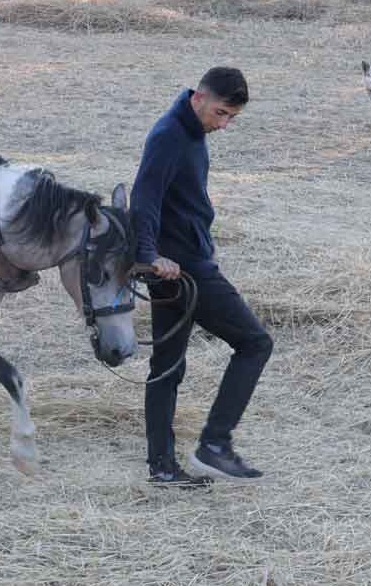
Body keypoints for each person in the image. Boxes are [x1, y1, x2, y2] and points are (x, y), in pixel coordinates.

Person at [133, 67, 273, 488]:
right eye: (221, 113)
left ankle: (162, 467)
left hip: (185, 261)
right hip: (183, 269)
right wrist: (149, 256)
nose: (224, 124)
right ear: (198, 98)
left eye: (232, 118)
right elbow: (143, 198)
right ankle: (214, 445)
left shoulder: (190, 131)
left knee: (167, 365)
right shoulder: (169, 136)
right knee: (255, 343)